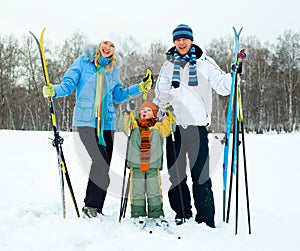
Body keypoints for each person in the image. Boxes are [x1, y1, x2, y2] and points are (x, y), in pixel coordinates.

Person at [42, 34, 152, 218]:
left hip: (107, 123)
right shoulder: (83, 62)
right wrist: (54, 90)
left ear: (114, 50)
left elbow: (117, 95)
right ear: (99, 44)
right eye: (105, 43)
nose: (107, 47)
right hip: (86, 122)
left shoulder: (112, 70)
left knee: (104, 166)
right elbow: (69, 84)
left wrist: (139, 88)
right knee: (99, 162)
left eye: (112, 45)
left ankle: (96, 208)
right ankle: (90, 207)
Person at [153, 24, 232, 228]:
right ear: (174, 42)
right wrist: (153, 113)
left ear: (191, 40)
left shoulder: (205, 63)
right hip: (174, 128)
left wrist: (234, 76)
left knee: (200, 174)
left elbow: (223, 86)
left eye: (185, 39)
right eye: (178, 40)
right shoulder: (168, 66)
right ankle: (182, 213)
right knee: (175, 174)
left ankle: (205, 218)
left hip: (197, 128)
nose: (181, 43)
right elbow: (160, 96)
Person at [123, 101, 175, 228]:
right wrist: (128, 112)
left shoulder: (158, 126)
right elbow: (124, 127)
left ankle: (156, 213)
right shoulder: (134, 125)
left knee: (154, 190)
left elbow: (169, 129)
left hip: (153, 164)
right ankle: (137, 213)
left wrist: (169, 114)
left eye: (148, 110)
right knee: (137, 189)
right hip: (136, 164)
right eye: (143, 110)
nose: (145, 112)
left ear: (154, 114)